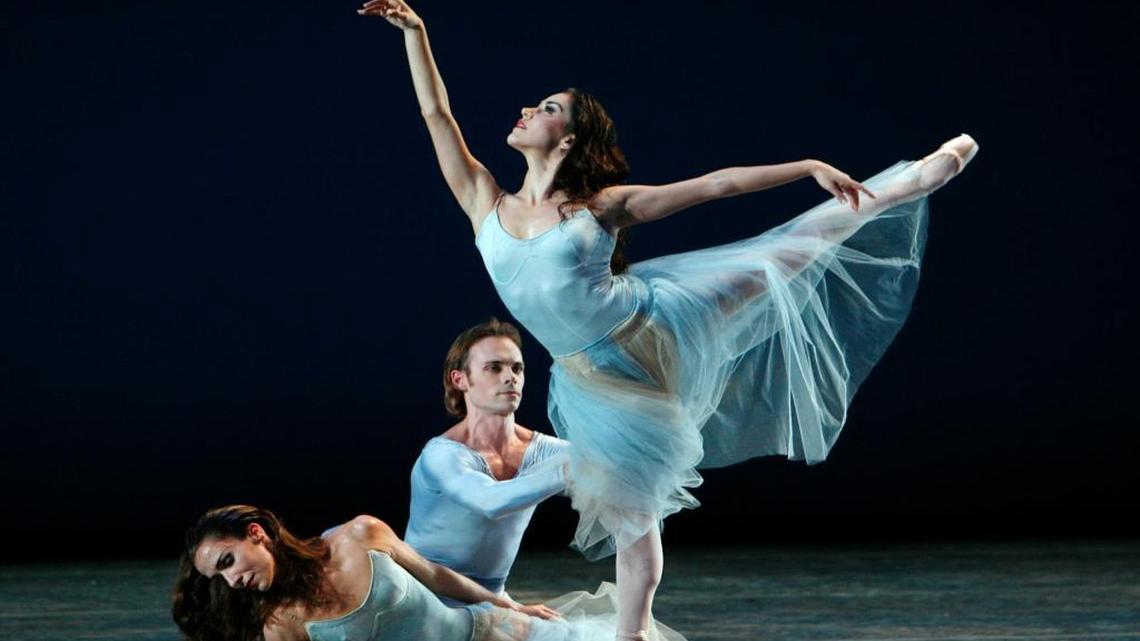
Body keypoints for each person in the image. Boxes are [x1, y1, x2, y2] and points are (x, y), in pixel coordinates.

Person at [358, 1, 978, 639]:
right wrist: (417, 33)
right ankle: (635, 634)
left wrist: (807, 167)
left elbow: (715, 185)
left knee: (781, 256)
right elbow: (437, 114)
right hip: (592, 377)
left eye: (547, 108)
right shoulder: (484, 201)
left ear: (567, 139)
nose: (528, 110)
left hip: (653, 322)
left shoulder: (597, 208)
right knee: (634, 514)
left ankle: (903, 185)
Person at [171, 505, 687, 641]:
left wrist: (510, 604)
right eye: (219, 579)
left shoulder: (358, 536)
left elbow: (437, 576)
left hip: (491, 634)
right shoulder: (280, 624)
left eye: (227, 562)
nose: (230, 580)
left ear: (257, 533)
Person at [403, 318, 570, 605]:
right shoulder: (440, 455)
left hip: (492, 600)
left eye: (517, 368)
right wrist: (574, 466)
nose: (510, 378)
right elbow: (491, 502)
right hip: (423, 598)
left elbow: (615, 470)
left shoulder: (543, 450)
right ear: (460, 379)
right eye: (494, 368)